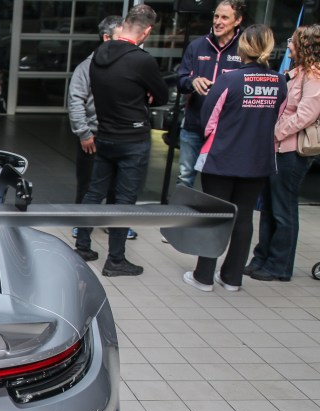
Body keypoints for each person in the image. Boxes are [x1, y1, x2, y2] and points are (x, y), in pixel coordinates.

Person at [182, 24, 286, 293]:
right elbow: (277, 118)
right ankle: (232, 278)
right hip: (258, 160)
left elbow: (208, 119)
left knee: (215, 216)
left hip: (222, 158)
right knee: (243, 218)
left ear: (244, 47)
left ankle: (203, 276)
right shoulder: (280, 82)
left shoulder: (230, 79)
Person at [80, 4, 168, 277]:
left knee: (94, 193)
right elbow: (161, 96)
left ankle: (82, 246)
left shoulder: (98, 54)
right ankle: (115, 260)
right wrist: (144, 95)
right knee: (124, 201)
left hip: (105, 135)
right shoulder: (142, 60)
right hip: (133, 139)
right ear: (147, 31)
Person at [246, 25, 320, 282]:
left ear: (305, 45)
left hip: (291, 152)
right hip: (277, 150)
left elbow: (306, 114)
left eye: (292, 41)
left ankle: (279, 266)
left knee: (283, 210)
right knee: (269, 207)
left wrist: (275, 133)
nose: (288, 46)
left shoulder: (314, 76)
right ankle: (261, 258)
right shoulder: (297, 73)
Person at [69, 15, 123, 261]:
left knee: (117, 186)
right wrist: (84, 133)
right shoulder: (87, 67)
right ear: (106, 38)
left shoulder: (127, 65)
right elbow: (76, 101)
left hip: (118, 135)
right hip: (93, 136)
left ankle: (114, 224)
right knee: (89, 184)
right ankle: (81, 225)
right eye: (121, 37)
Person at [176, 0, 245, 188]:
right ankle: (180, 208)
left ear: (237, 20)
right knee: (184, 177)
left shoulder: (245, 48)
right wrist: (192, 81)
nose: (218, 22)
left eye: (225, 18)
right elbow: (180, 80)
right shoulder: (197, 45)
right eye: (216, 16)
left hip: (225, 130)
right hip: (194, 125)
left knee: (217, 182)